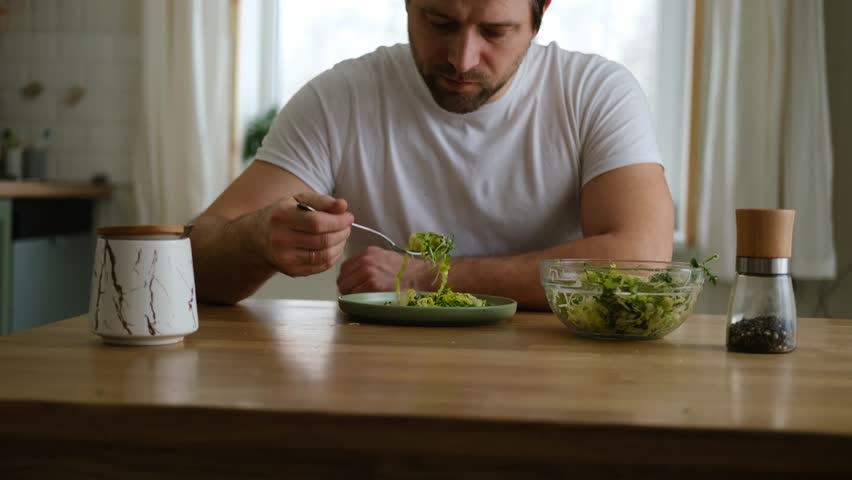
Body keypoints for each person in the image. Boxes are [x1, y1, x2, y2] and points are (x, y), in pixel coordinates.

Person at [191, 0, 674, 309]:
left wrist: (426, 274)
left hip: (553, 388)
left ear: (540, 13)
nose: (462, 59)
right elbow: (193, 263)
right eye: (440, 22)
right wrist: (258, 237)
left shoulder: (594, 94)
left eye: (495, 32)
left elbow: (642, 258)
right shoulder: (342, 98)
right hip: (380, 388)